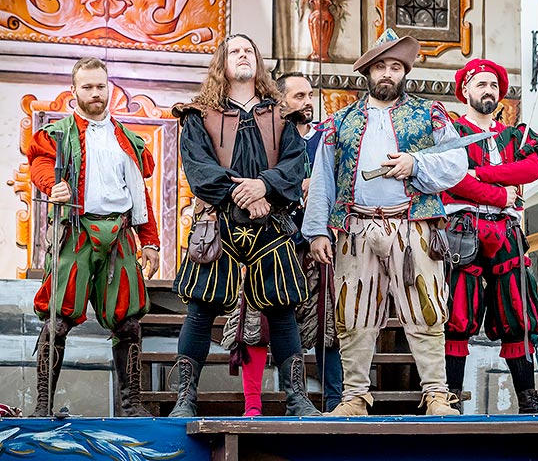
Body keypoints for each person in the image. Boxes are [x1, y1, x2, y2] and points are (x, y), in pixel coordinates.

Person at [302, 32, 467, 416]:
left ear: (404, 72)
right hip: (356, 229)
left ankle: (437, 395)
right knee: (353, 315)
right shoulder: (339, 122)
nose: (388, 74)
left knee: (426, 310)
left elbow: (456, 163)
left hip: (413, 227)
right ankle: (354, 398)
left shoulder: (430, 114)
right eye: (380, 66)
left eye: (395, 67)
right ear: (368, 72)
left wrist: (416, 163)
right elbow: (323, 178)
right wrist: (317, 231)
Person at [169, 34, 320, 417]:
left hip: (271, 226)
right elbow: (199, 169)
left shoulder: (282, 116)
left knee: (282, 312)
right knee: (200, 311)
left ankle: (297, 399)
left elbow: (294, 166)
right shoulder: (199, 115)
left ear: (258, 62)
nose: (242, 55)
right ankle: (185, 399)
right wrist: (244, 194)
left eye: (248, 50)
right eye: (234, 51)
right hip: (218, 225)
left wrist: (264, 186)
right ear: (222, 63)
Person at [27, 57, 160, 417]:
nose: (95, 93)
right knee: (57, 320)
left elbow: (139, 192)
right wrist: (52, 184)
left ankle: (131, 405)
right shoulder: (58, 134)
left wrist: (149, 240)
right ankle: (42, 405)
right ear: (74, 91)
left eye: (101, 86)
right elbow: (39, 163)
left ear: (109, 88)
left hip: (119, 235)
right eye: (87, 87)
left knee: (128, 323)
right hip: (76, 232)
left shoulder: (126, 139)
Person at [220, 72, 343, 415]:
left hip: (316, 242)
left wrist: (319, 188)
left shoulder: (326, 141)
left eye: (310, 95)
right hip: (267, 239)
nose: (308, 102)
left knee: (326, 322)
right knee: (254, 323)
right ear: (279, 101)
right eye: (299, 96)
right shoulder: (262, 139)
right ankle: (253, 405)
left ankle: (333, 402)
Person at [441, 58, 538, 414]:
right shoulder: (452, 133)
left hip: (506, 231)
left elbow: (530, 169)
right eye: (481, 84)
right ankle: (451, 397)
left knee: (518, 313)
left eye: (493, 86)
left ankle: (528, 398)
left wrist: (481, 173)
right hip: (463, 229)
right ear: (466, 90)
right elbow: (454, 179)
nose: (488, 90)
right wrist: (502, 190)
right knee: (457, 314)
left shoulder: (514, 135)